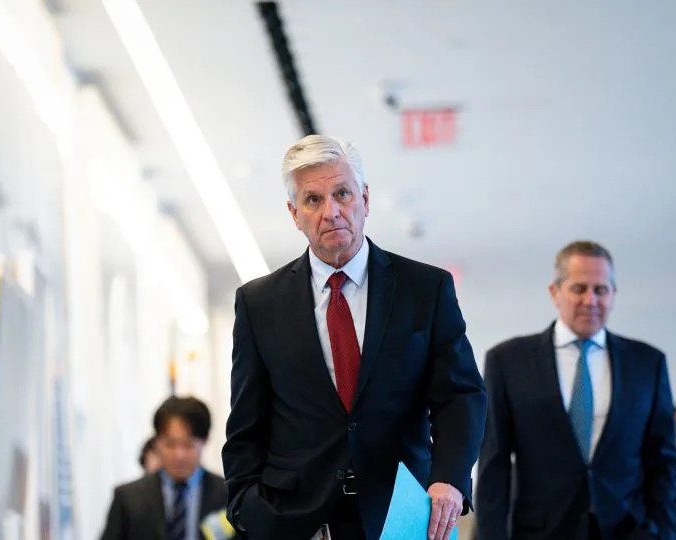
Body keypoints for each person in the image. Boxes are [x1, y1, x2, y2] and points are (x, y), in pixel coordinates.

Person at [222, 135, 486, 539]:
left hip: (403, 514)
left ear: (364, 198)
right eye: (313, 200)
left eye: (342, 194)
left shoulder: (424, 289)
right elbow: (246, 422)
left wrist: (450, 478)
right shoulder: (259, 304)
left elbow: (460, 395)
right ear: (294, 213)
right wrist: (245, 509)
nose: (331, 212)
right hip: (295, 519)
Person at [476, 240, 676, 539]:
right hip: (540, 531)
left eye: (601, 290)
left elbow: (663, 460)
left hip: (628, 530)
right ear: (555, 292)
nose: (590, 300)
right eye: (579, 288)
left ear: (613, 294)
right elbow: (493, 464)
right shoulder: (508, 361)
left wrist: (664, 532)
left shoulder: (647, 363)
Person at [101, 397, 229, 540]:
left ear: (205, 441)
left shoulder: (228, 496)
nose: (179, 455)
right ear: (156, 442)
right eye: (170, 444)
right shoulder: (128, 499)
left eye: (188, 445)